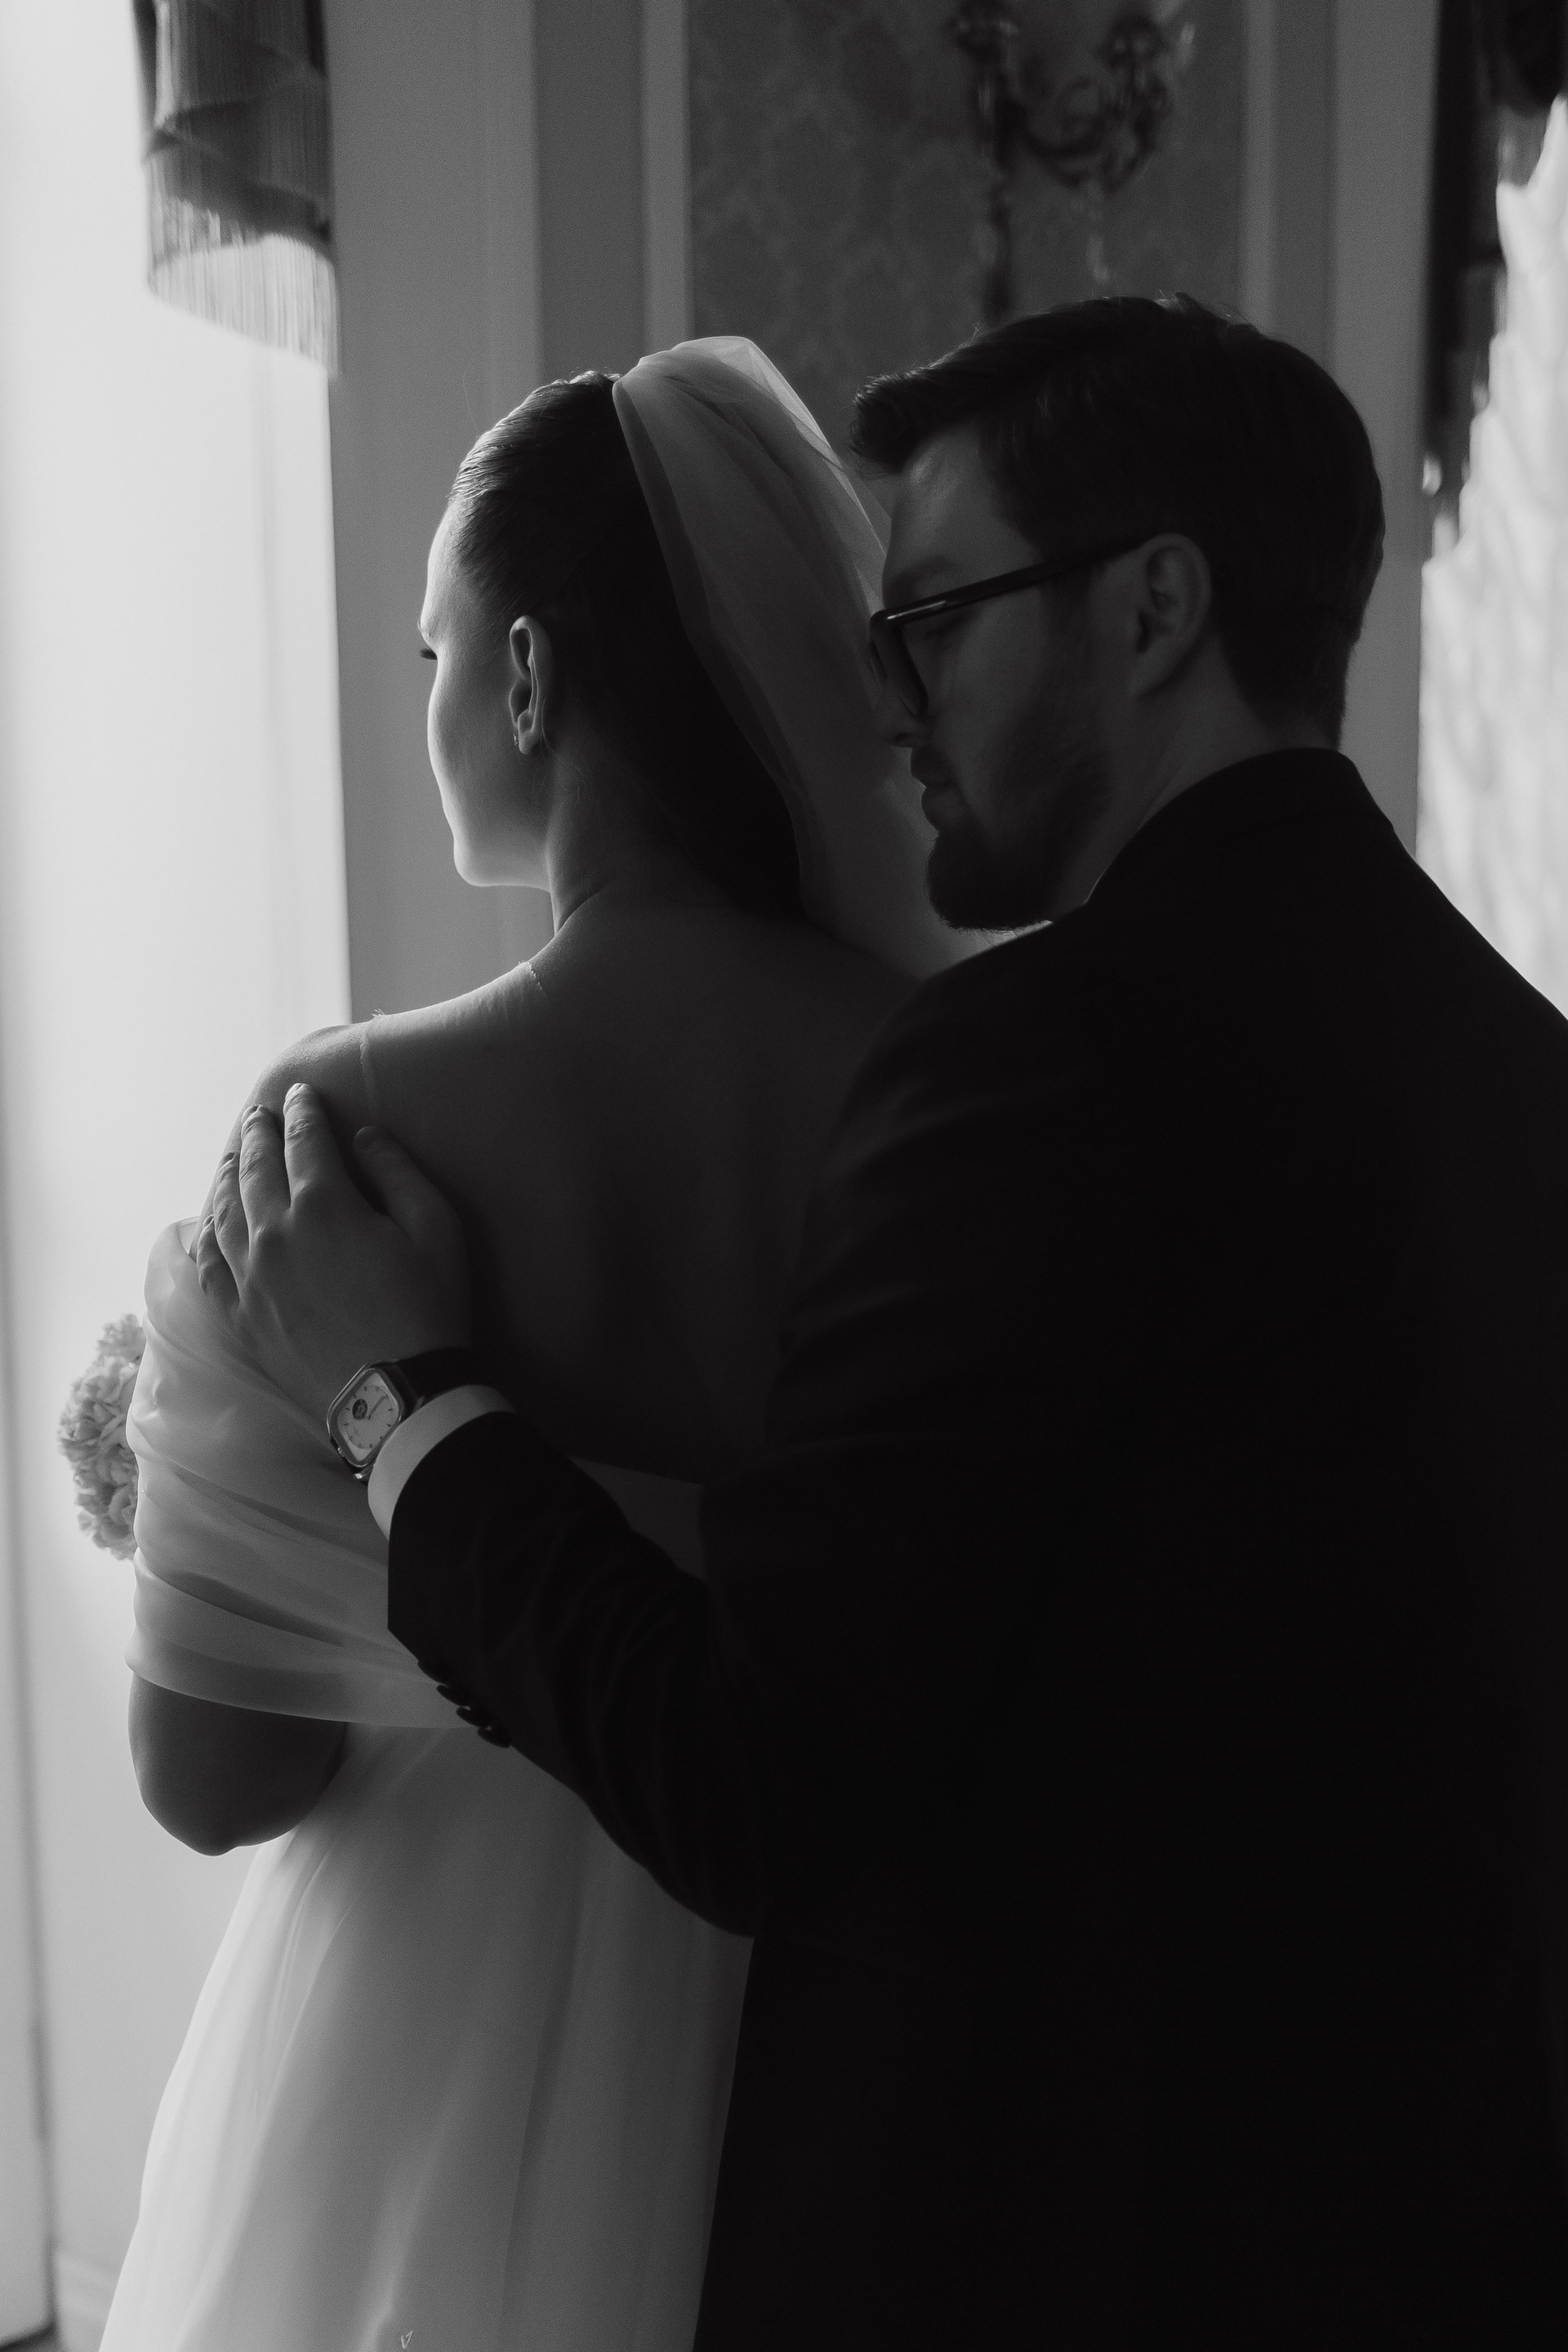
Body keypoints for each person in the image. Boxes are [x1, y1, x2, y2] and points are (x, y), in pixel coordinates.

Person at [208, 292, 1568, 2349]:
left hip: (1062, 2245)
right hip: (1437, 2229)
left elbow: (749, 1777)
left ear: (1155, 609)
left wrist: (398, 1401)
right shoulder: (1517, 1064)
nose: (887, 700)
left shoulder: (1046, 1064)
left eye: (933, 619)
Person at [106, 339, 965, 2351]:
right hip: (852, 2023)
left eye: (433, 651)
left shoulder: (336, 1137)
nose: (424, 701)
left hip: (436, 2054)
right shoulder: (952, 1089)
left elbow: (213, 1775)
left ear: (525, 679)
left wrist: (240, 1521)